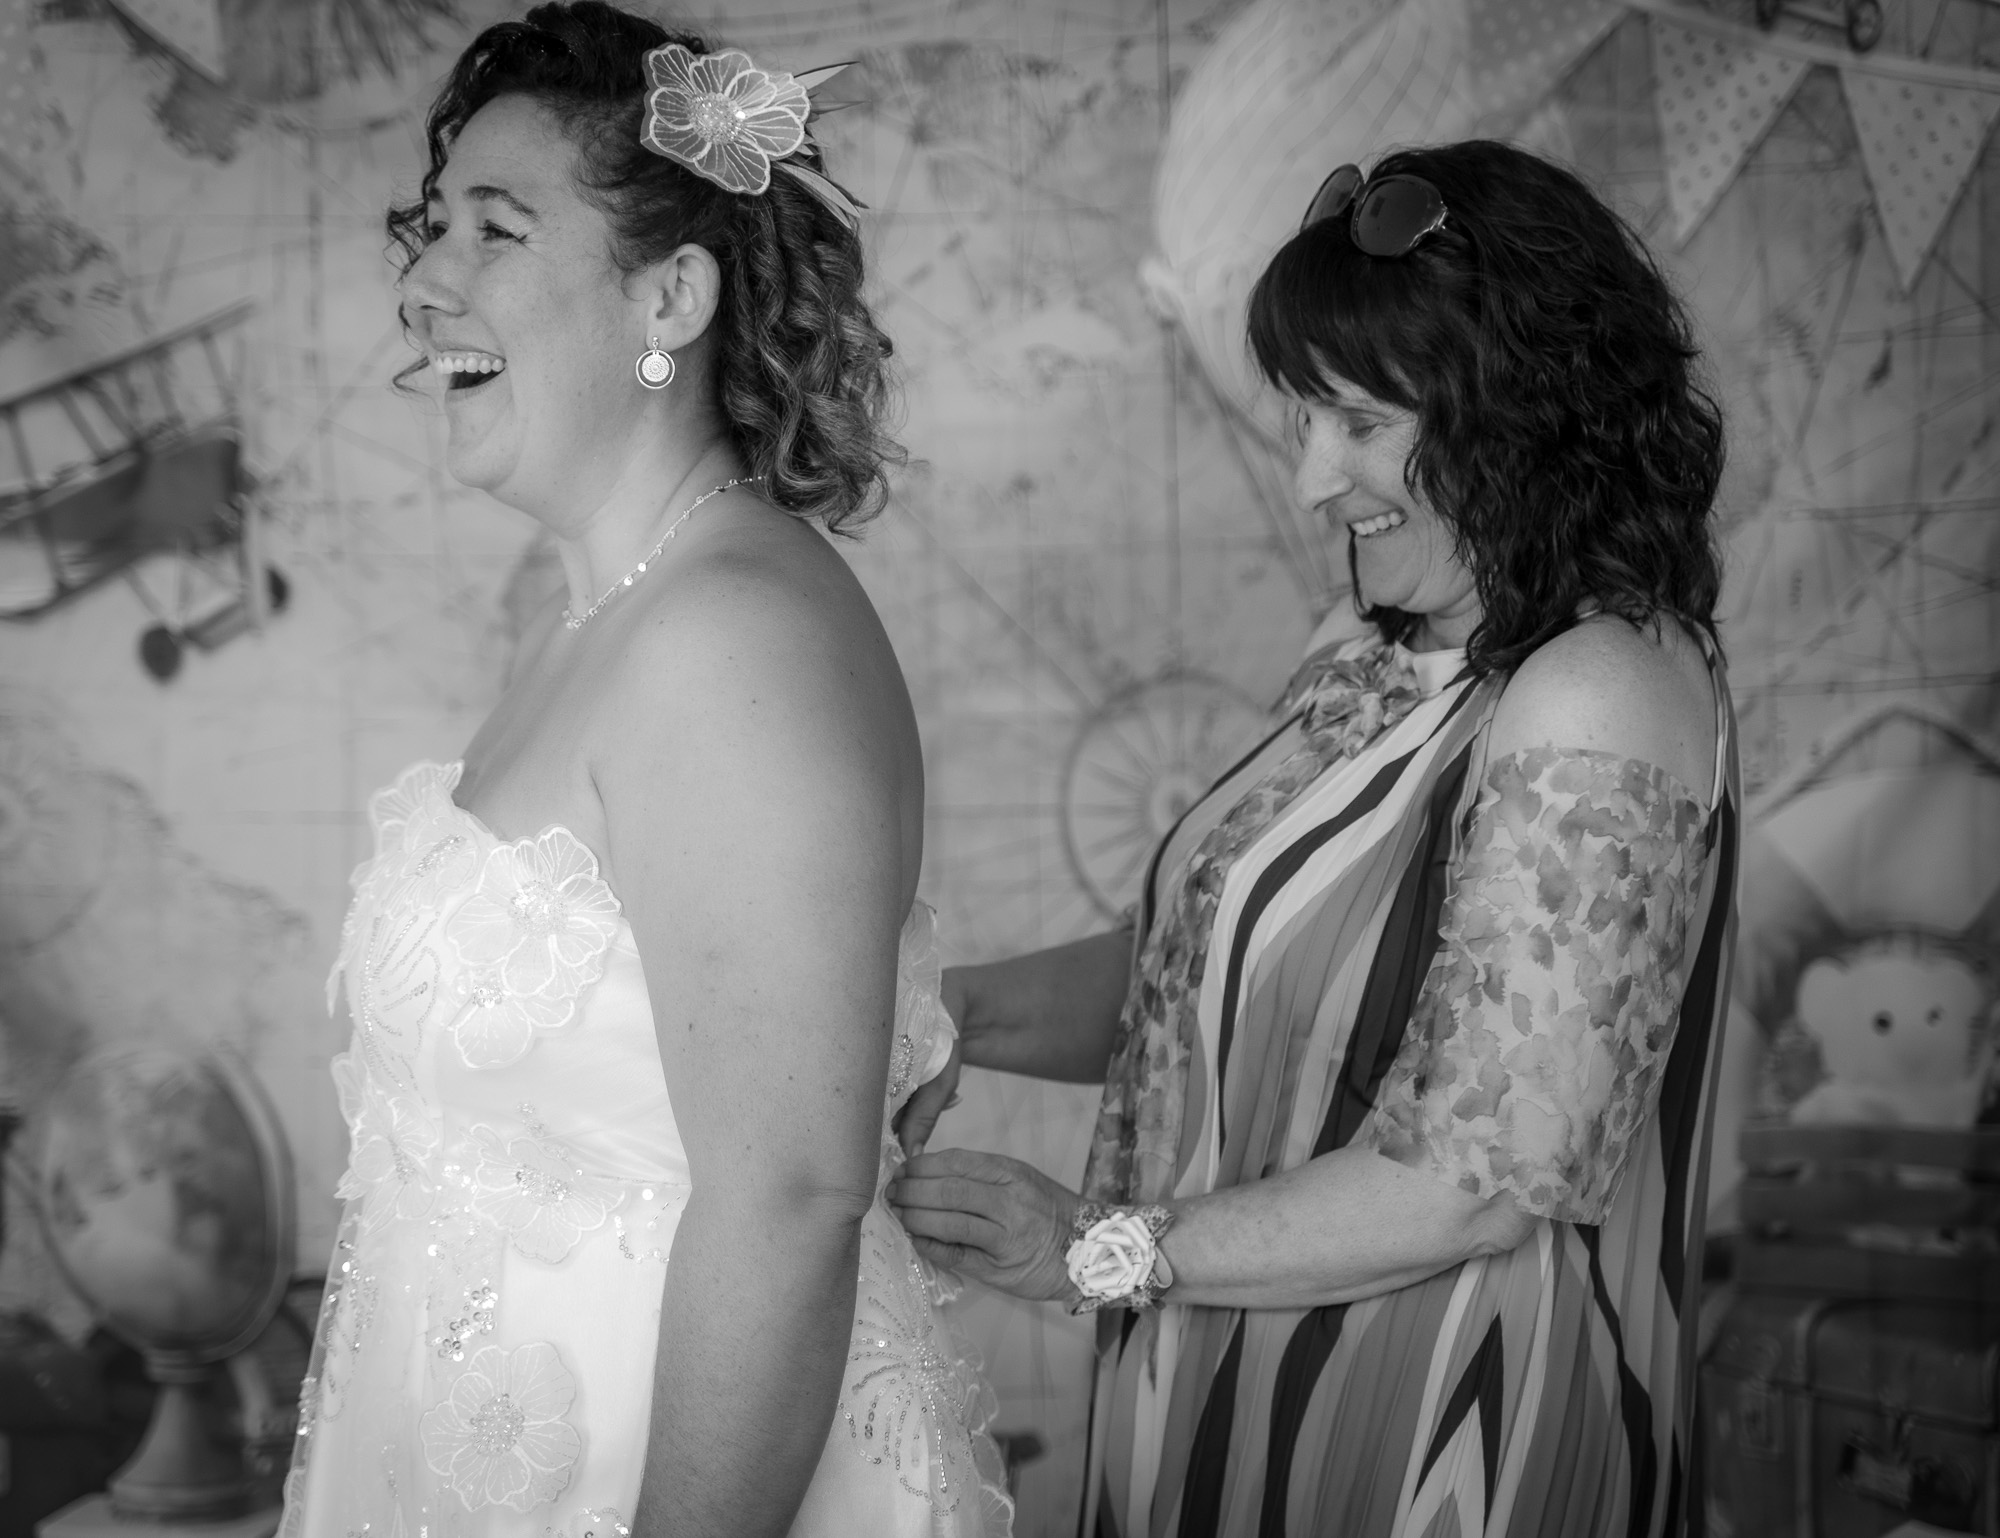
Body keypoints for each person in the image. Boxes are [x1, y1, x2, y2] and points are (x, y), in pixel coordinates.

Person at [891, 140, 1738, 1538]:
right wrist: (944, 1015)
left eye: (1357, 420)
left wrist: (1094, 1249)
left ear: (1523, 409)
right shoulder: (1374, 641)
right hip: (1218, 1390)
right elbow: (1202, 973)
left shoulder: (1599, 689)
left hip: (1437, 1436)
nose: (1311, 482)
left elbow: (1472, 1188)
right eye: (1303, 418)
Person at [281, 6, 1011, 1535]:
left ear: (669, 294)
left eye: (496, 230)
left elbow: (790, 1200)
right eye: (432, 226)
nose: (425, 281)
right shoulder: (604, 618)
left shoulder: (728, 638)